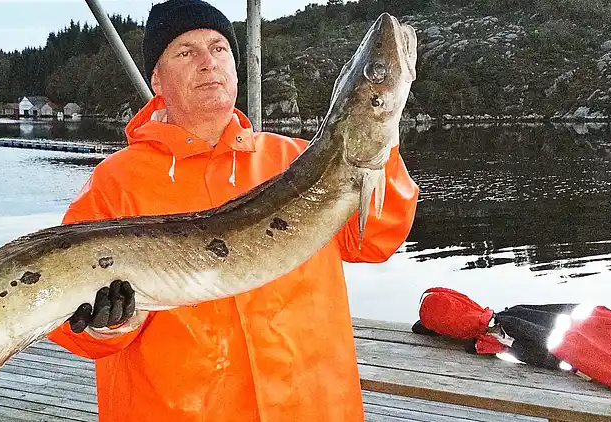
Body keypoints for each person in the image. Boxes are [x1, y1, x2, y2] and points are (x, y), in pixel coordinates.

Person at [48, 1, 419, 420]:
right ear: (156, 78)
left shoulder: (297, 162)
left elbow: (376, 240)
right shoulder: (114, 184)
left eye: (219, 48)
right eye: (186, 52)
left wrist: (377, 145)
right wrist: (105, 322)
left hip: (313, 407)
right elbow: (63, 319)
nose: (208, 62)